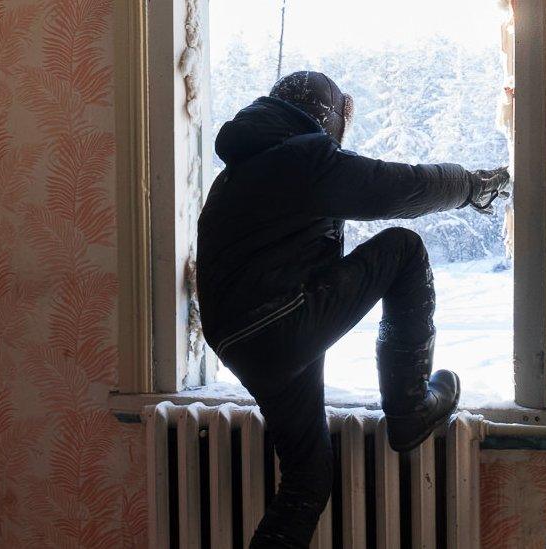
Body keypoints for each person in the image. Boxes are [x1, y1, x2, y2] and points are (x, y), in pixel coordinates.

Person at [196, 71, 510, 548]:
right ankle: (409, 409)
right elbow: (402, 189)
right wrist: (473, 186)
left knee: (308, 479)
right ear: (322, 119)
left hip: (243, 343)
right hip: (282, 324)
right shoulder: (302, 159)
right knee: (402, 250)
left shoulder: (238, 173)